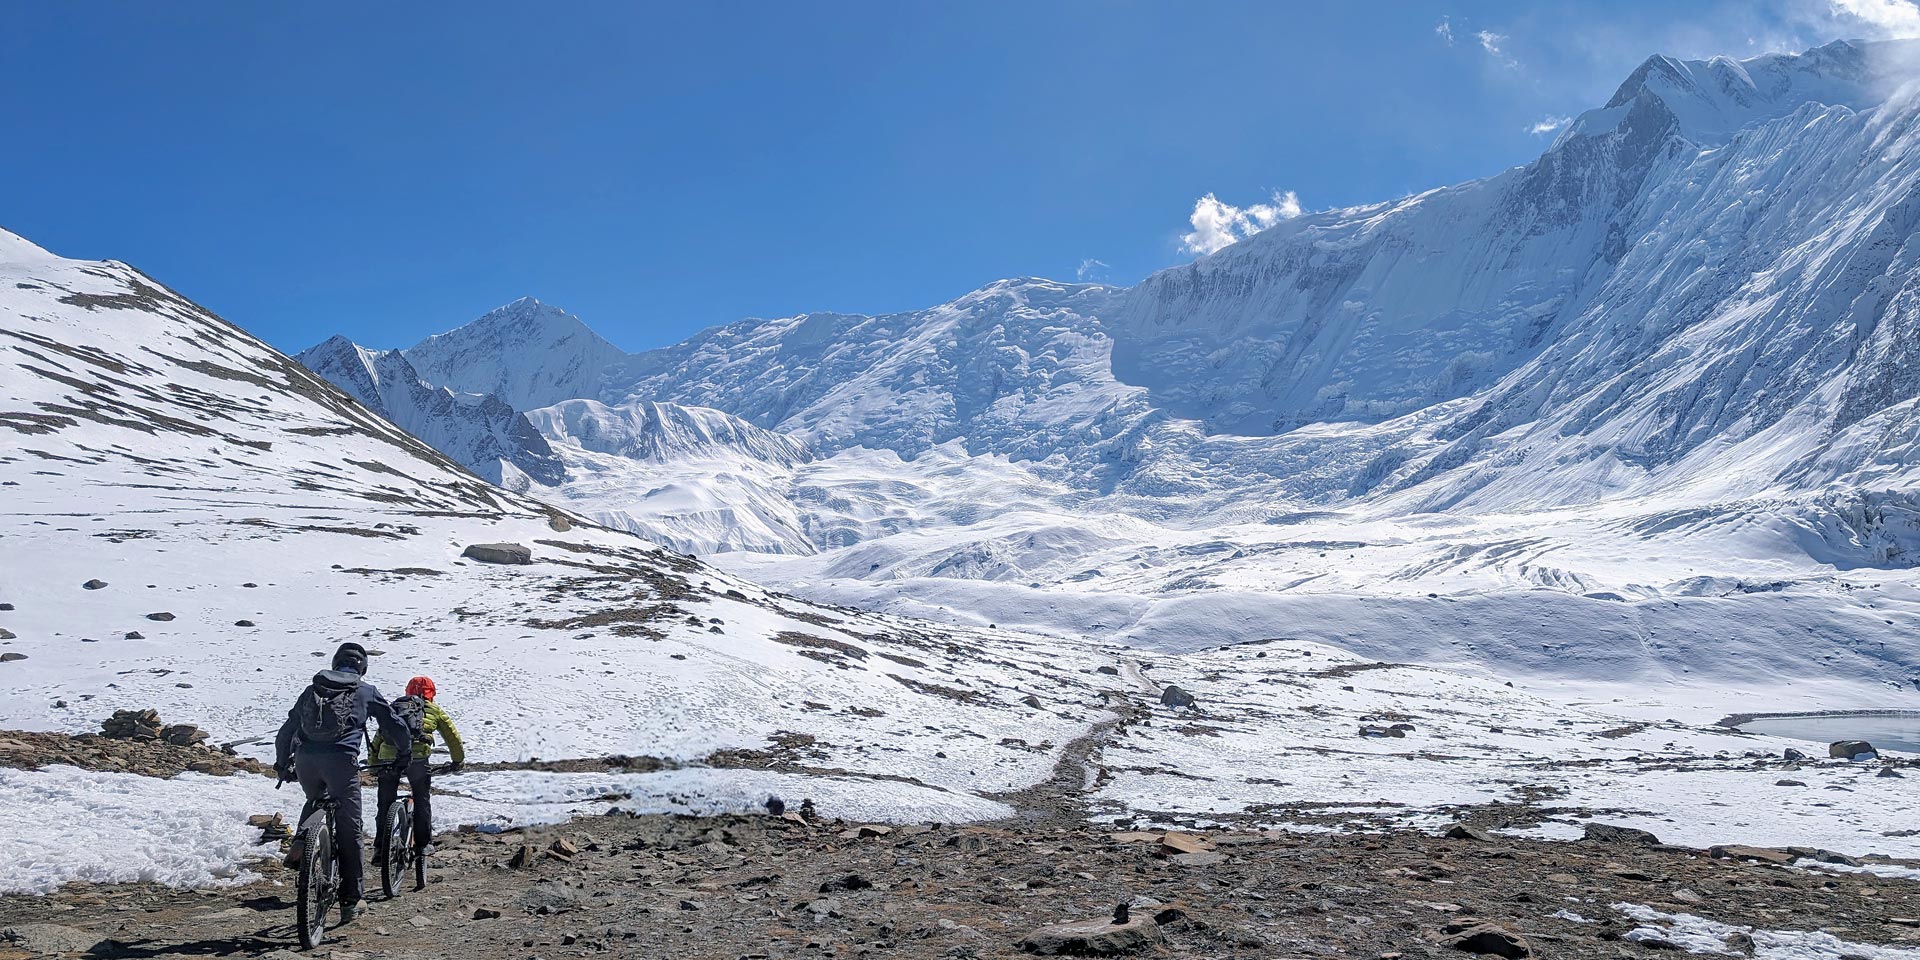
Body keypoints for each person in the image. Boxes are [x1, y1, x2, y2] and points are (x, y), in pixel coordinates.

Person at [273, 641, 411, 923]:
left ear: (336, 664)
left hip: (306, 761)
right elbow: (393, 724)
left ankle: (303, 839)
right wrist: (404, 751)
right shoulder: (365, 691)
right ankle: (351, 901)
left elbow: (286, 731)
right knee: (350, 829)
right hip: (341, 763)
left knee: (314, 799)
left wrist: (282, 764)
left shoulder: (314, 690)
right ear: (362, 667)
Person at [371, 675, 464, 865]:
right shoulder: (433, 710)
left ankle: (381, 848)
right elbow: (452, 737)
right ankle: (423, 844)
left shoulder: (395, 707)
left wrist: (374, 764)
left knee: (385, 802)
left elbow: (379, 736)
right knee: (421, 798)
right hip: (417, 760)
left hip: (387, 759)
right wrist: (457, 761)